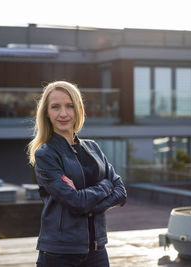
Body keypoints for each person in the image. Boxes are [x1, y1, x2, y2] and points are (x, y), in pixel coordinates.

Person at [28, 81, 127, 267]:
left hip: (97, 250)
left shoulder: (93, 148)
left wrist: (87, 205)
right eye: (55, 107)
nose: (63, 113)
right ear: (47, 114)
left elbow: (121, 192)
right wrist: (105, 186)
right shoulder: (46, 154)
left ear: (78, 109)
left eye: (69, 106)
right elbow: (76, 201)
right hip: (59, 254)